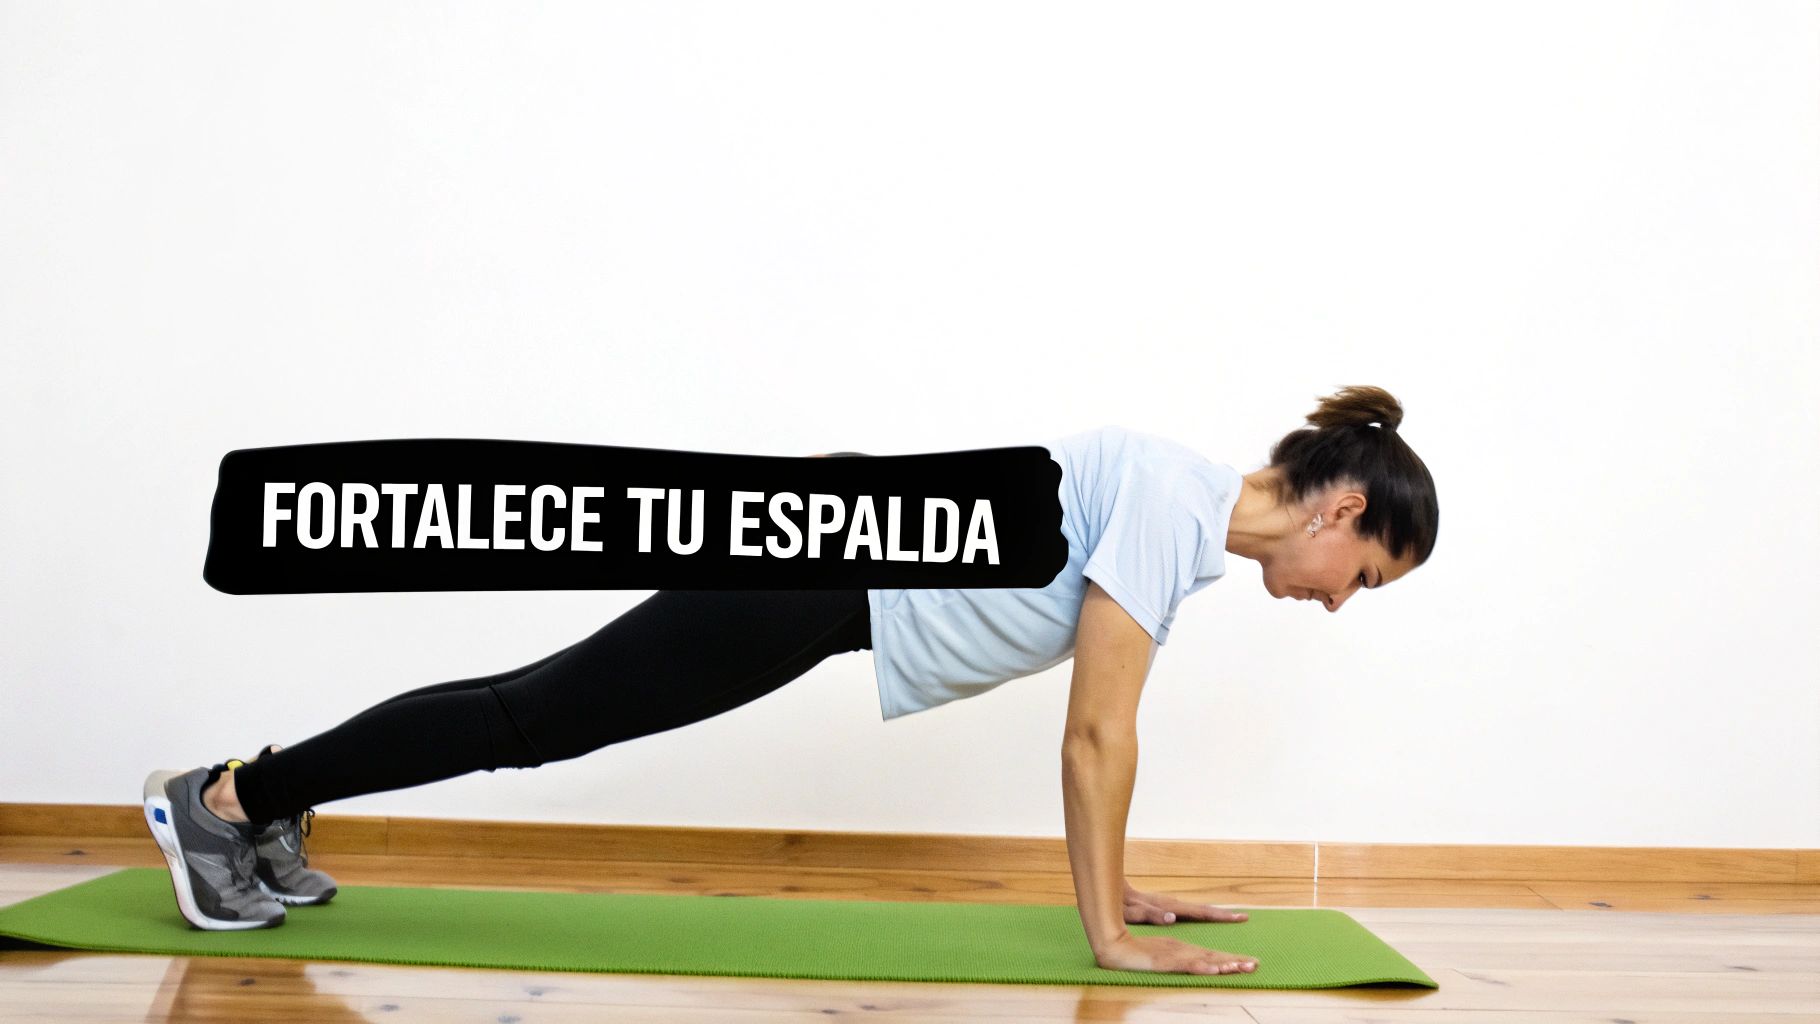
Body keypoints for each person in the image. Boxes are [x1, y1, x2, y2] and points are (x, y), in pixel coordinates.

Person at [142, 384, 1439, 978]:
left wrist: (1122, 888)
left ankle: (254, 804)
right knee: (530, 719)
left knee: (531, 713)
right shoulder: (1171, 506)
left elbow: (1093, 724)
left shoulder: (1176, 511)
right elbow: (1096, 738)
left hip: (820, 568)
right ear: (1339, 511)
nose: (1341, 603)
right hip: (811, 570)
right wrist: (1104, 934)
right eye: (1365, 576)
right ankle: (223, 802)